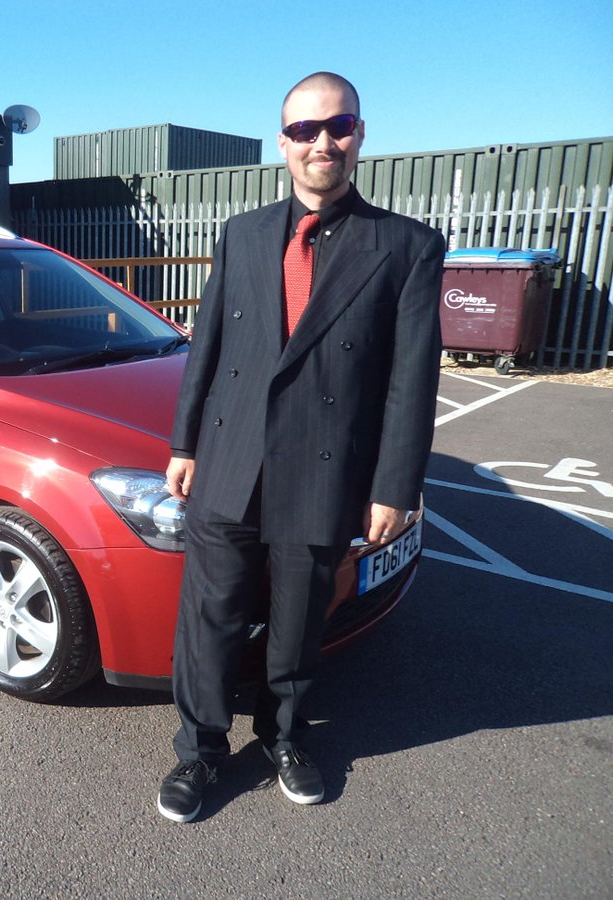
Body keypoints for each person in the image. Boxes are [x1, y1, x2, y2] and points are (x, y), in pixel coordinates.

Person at [156, 72, 445, 823]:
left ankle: (286, 737)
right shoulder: (244, 233)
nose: (322, 142)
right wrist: (184, 442)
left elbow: (411, 381)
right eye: (304, 130)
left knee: (298, 624)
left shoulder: (407, 247)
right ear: (282, 143)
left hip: (320, 471)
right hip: (228, 464)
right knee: (211, 618)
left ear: (359, 134)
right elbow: (208, 349)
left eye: (337, 127)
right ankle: (199, 750)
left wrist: (394, 486)